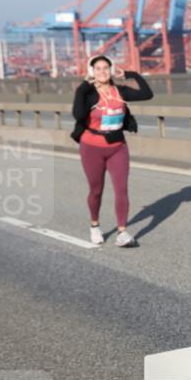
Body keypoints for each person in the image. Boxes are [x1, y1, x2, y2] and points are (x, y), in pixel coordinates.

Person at [71, 55, 153, 247]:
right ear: (92, 72)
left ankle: (122, 232)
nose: (102, 72)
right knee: (96, 190)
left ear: (111, 70)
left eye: (106, 68)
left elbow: (147, 94)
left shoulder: (120, 91)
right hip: (92, 147)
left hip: (118, 146)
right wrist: (83, 86)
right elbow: (78, 114)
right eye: (97, 69)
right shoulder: (88, 93)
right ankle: (94, 226)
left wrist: (131, 74)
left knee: (121, 189)